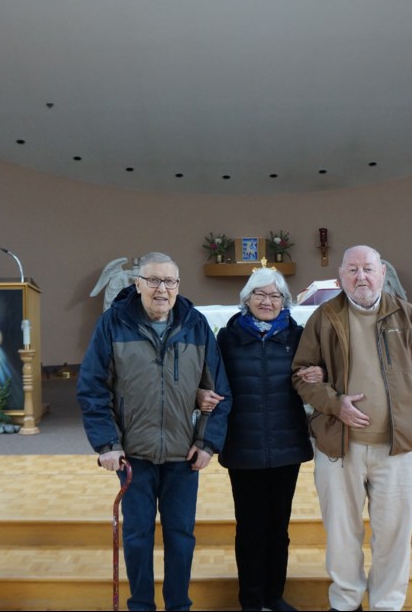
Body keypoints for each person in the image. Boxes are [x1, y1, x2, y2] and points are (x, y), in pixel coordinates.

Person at [291, 245, 412, 611]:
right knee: (342, 535)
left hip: (401, 449)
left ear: (382, 274)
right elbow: (301, 375)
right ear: (341, 276)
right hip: (338, 447)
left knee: (394, 536)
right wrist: (334, 404)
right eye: (353, 270)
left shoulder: (408, 317)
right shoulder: (324, 317)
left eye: (368, 269)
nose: (361, 277)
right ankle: (345, 602)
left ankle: (387, 604)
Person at [78, 251, 232, 611]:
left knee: (181, 538)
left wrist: (208, 443)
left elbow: (219, 391)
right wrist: (107, 444)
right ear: (137, 284)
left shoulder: (195, 324)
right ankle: (141, 606)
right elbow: (92, 387)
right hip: (133, 454)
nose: (162, 289)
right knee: (136, 537)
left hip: (183, 455)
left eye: (170, 281)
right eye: (153, 280)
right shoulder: (113, 324)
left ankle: (179, 605)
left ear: (178, 286)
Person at [210, 267, 321, 612]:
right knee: (250, 530)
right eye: (260, 294)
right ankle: (251, 601)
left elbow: (317, 372)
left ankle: (274, 596)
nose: (267, 301)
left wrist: (321, 373)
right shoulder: (227, 338)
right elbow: (213, 382)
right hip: (244, 446)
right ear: (246, 300)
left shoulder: (299, 336)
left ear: (285, 302)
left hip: (285, 445)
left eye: (275, 296)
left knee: (278, 529)